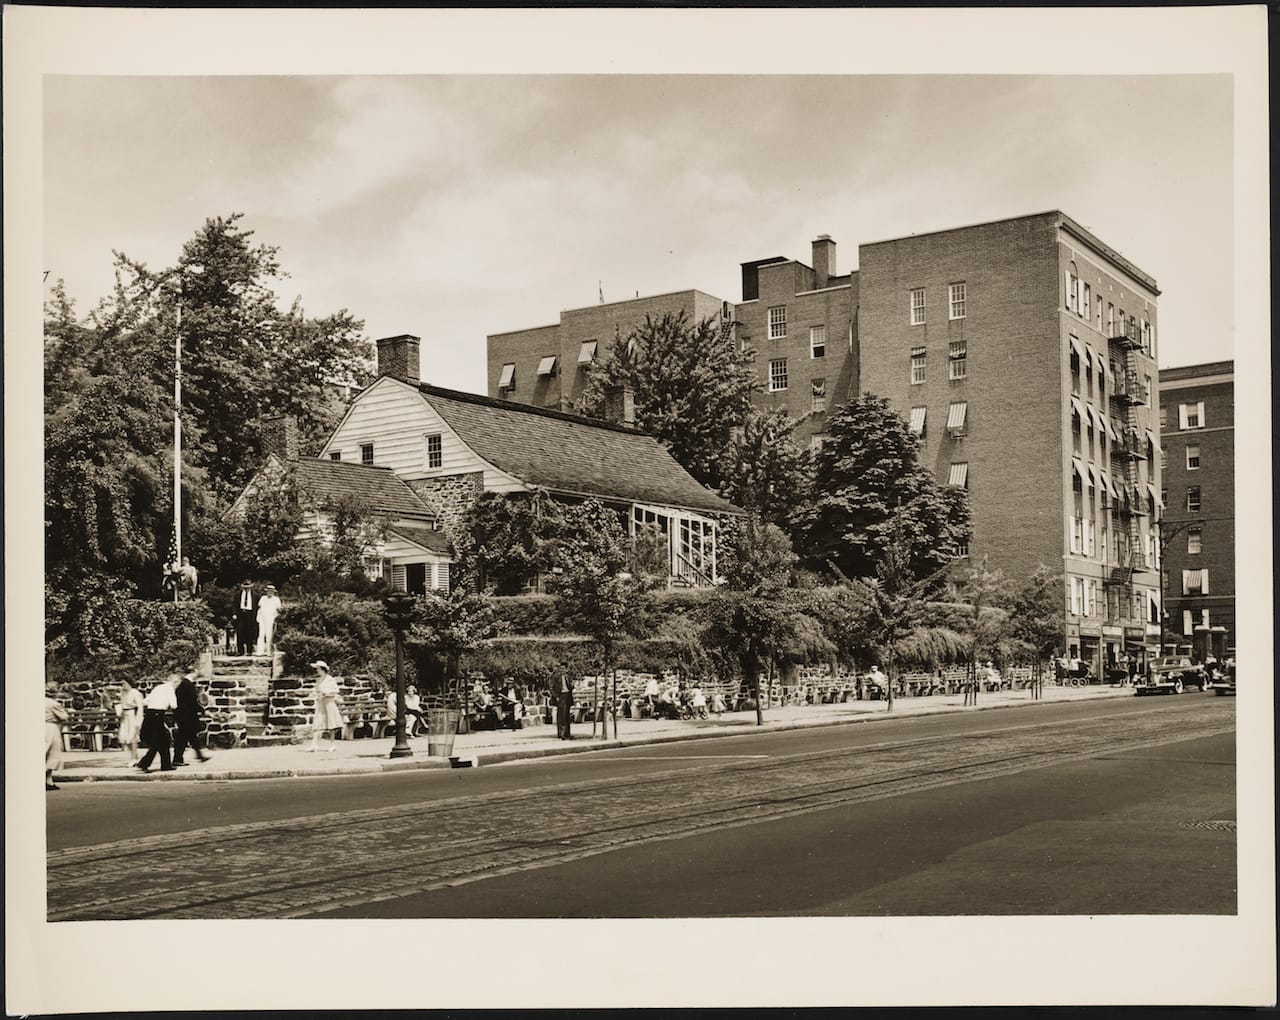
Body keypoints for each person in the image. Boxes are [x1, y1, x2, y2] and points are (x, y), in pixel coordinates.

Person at [136, 673, 179, 773]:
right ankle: (147, 763)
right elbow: (174, 705)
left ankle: (162, 764)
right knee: (162, 740)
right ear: (174, 681)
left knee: (161, 741)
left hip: (149, 714)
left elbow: (146, 701)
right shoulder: (170, 689)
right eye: (176, 682)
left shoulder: (158, 688)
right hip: (158, 715)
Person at [172, 672, 211, 766]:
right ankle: (178, 759)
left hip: (184, 715)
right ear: (192, 672)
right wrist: (203, 711)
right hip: (186, 716)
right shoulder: (187, 685)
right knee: (183, 737)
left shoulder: (184, 684)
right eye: (196, 671)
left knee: (190, 736)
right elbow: (192, 702)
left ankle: (198, 755)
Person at [307, 660, 344, 752]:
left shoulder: (330, 679)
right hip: (321, 703)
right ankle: (314, 745)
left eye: (318, 669)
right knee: (317, 722)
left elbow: (336, 690)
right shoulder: (318, 680)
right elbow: (317, 691)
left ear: (323, 669)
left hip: (329, 703)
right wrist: (316, 695)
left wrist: (327, 693)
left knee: (331, 724)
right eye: (317, 669)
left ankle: (332, 745)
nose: (317, 671)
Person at [115, 676, 145, 767]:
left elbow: (140, 707)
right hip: (125, 715)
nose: (122, 685)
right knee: (124, 737)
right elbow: (121, 704)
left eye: (124, 683)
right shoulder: (123, 693)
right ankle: (134, 755)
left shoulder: (135, 693)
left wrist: (138, 719)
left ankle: (134, 758)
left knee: (132, 737)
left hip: (132, 715)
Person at [45, 681, 70, 790]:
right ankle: (45, 778)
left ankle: (48, 781)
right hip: (50, 727)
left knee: (45, 753)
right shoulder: (54, 704)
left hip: (39, 727)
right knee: (52, 753)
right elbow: (64, 717)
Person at [234, 580, 259, 655]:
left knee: (249, 632)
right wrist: (234, 614)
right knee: (240, 632)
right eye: (245, 588)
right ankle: (240, 651)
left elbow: (257, 606)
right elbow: (234, 605)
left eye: (248, 587)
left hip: (250, 614)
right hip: (241, 613)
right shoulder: (238, 594)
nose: (246, 589)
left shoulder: (255, 595)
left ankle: (249, 650)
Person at [256, 583, 282, 655]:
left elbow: (279, 609)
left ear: (273, 592)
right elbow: (259, 607)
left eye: (271, 591)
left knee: (269, 635)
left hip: (270, 618)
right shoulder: (263, 598)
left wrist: (276, 618)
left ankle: (269, 651)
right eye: (268, 591)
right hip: (262, 618)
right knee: (261, 634)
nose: (270, 592)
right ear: (266, 591)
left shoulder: (276, 599)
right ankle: (259, 651)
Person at [554, 664, 574, 740]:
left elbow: (571, 687)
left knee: (567, 715)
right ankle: (561, 734)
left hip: (568, 696)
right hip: (561, 696)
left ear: (566, 669)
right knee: (561, 715)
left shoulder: (568, 677)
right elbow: (552, 687)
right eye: (560, 668)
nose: (562, 670)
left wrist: (572, 685)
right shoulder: (556, 678)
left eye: (563, 669)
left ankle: (567, 733)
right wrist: (556, 696)